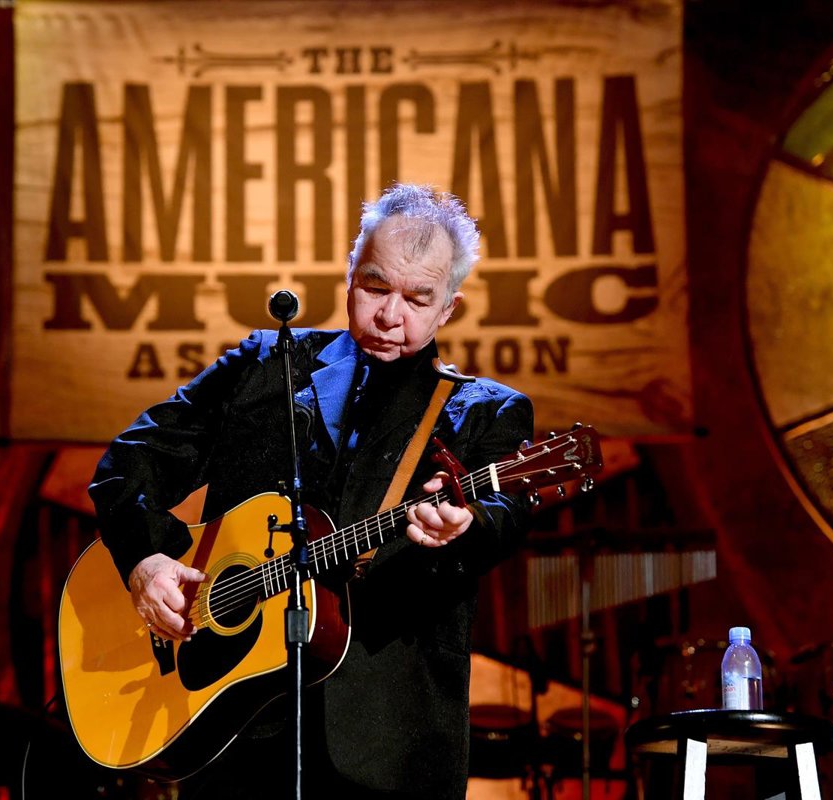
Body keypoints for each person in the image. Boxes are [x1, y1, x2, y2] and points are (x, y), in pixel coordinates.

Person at [89, 184, 534, 799]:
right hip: (232, 730)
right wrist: (146, 559)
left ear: (448, 309)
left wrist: (469, 526)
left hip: (387, 745)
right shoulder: (265, 365)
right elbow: (131, 461)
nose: (390, 315)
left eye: (417, 299)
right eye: (375, 287)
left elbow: (506, 512)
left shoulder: (483, 412)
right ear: (350, 276)